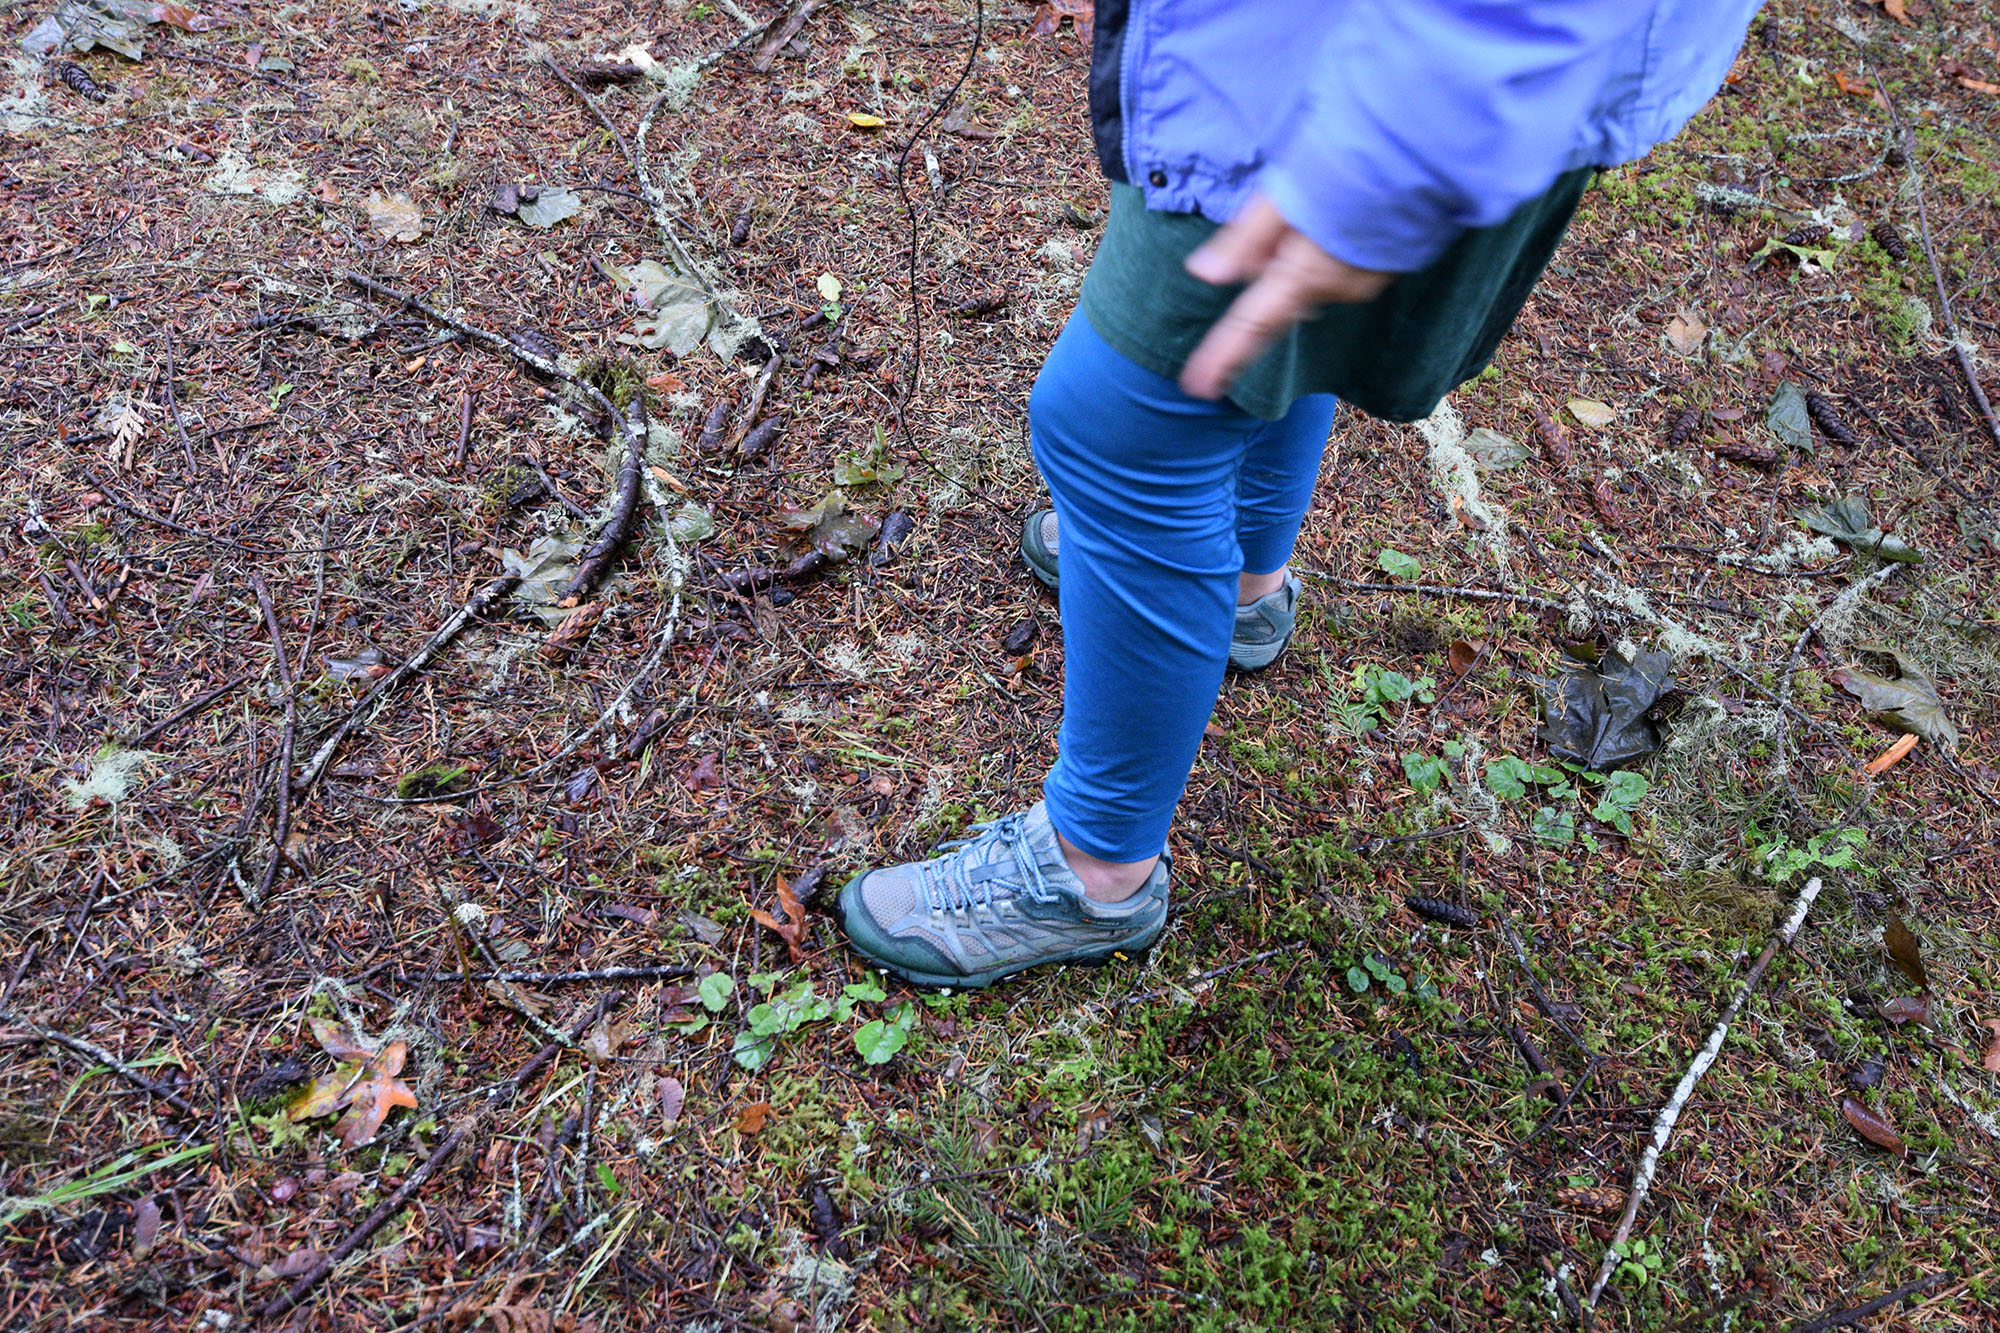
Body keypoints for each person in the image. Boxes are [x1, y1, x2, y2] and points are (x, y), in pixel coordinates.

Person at [837, 0, 1766, 989]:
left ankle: (1093, 869)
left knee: (1119, 426)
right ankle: (1239, 589)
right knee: (1284, 318)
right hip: (1389, 55)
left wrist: (1382, 159)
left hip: (1444, 68)